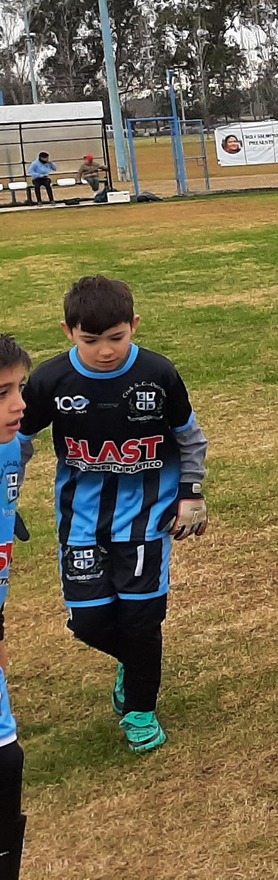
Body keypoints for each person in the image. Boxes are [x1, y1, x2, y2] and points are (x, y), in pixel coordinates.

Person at [19, 276, 211, 753]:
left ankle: (141, 711)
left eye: (116, 337)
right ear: (68, 332)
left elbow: (189, 438)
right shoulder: (50, 381)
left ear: (134, 326)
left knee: (142, 621)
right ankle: (136, 662)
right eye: (90, 340)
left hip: (148, 520)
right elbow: (17, 441)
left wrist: (191, 492)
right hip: (80, 522)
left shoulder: (158, 373)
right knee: (88, 623)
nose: (105, 351)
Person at [0, 336, 34, 877]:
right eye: (3, 393)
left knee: (8, 762)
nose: (19, 404)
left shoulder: (11, 449)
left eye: (20, 387)